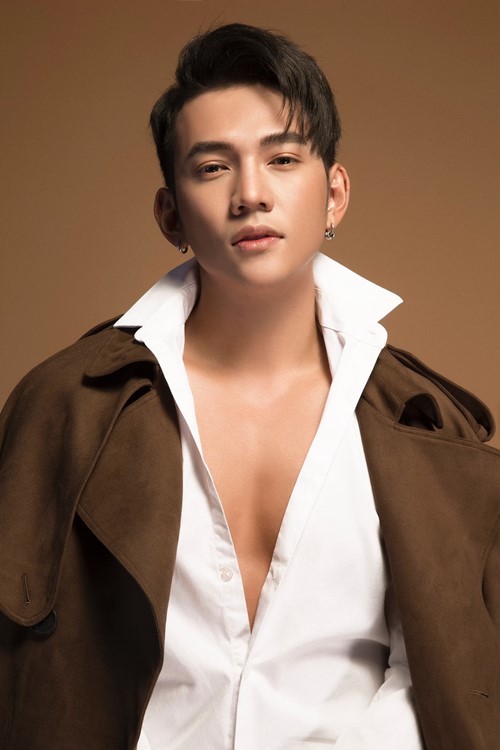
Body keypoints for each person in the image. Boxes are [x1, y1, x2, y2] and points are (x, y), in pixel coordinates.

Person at [0, 22, 499, 750]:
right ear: (171, 213)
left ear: (334, 195)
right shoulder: (65, 409)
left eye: (283, 159)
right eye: (212, 167)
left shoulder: (425, 426)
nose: (252, 194)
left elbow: (443, 677)